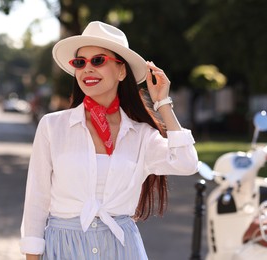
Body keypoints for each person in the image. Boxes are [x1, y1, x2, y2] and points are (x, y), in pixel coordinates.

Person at [20, 21, 198, 260]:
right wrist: (32, 255)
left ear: (121, 71)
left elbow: (186, 163)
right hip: (63, 247)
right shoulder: (53, 126)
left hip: (121, 249)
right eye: (80, 62)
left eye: (98, 60)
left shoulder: (141, 135)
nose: (87, 69)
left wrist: (163, 104)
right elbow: (36, 199)